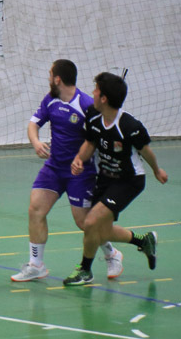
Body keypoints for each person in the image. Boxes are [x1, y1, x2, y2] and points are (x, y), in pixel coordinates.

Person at [12, 60, 123, 282]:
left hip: (79, 172)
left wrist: (83, 159)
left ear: (58, 79)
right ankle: (36, 265)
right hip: (54, 167)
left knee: (84, 222)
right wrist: (36, 142)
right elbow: (33, 124)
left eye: (50, 74)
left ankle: (112, 253)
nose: (48, 78)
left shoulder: (86, 104)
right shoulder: (50, 99)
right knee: (36, 209)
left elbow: (97, 137)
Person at [63, 72, 168, 286]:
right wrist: (79, 159)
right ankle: (143, 241)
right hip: (105, 179)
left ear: (104, 98)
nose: (92, 93)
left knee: (91, 222)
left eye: (96, 90)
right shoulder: (94, 117)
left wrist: (157, 170)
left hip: (129, 181)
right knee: (100, 231)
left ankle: (85, 270)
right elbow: (90, 143)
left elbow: (146, 151)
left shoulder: (130, 126)